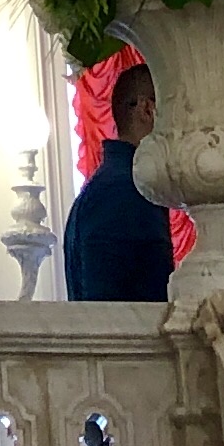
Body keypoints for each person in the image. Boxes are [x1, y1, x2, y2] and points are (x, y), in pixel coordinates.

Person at [61, 60, 178, 302]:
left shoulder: (107, 186)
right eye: (179, 109)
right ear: (147, 110)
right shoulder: (131, 190)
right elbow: (115, 309)